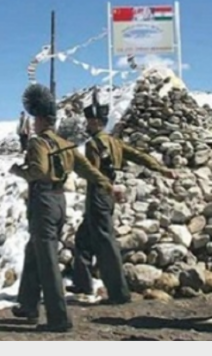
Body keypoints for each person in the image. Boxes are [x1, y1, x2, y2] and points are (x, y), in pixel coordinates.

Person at [8, 84, 123, 332]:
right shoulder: (66, 145)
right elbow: (89, 171)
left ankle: (58, 318)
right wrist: (109, 186)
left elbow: (38, 171)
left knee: (47, 259)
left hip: (43, 202)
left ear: (40, 120)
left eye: (35, 119)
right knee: (34, 250)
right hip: (59, 202)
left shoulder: (39, 144)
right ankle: (27, 304)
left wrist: (19, 171)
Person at [69, 90, 177, 304]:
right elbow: (139, 156)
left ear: (96, 122)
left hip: (99, 194)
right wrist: (161, 169)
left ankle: (118, 293)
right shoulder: (114, 142)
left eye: (89, 122)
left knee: (105, 243)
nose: (87, 125)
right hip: (108, 194)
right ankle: (82, 282)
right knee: (83, 238)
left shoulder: (93, 145)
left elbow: (93, 172)